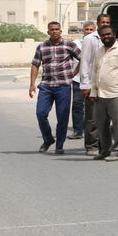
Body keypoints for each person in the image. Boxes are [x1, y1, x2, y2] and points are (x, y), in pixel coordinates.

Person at [28, 21, 81, 154]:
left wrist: (73, 74)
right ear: (48, 32)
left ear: (61, 31)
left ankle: (59, 145)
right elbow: (35, 64)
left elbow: (83, 59)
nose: (55, 31)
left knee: (62, 116)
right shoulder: (42, 47)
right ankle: (48, 139)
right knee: (41, 113)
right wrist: (32, 84)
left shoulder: (69, 45)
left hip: (63, 86)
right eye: (52, 29)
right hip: (46, 86)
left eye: (57, 29)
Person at [89, 25, 118, 162]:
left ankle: (117, 150)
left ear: (114, 34)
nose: (106, 37)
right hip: (100, 94)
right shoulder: (99, 52)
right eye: (103, 35)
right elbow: (95, 72)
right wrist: (93, 91)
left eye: (108, 34)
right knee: (100, 123)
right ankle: (105, 150)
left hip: (117, 93)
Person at [78, 13, 110, 156]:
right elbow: (84, 62)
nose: (104, 24)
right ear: (98, 23)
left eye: (107, 22)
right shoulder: (90, 39)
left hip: (108, 85)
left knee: (106, 117)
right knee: (92, 117)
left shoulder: (111, 38)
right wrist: (85, 85)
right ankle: (91, 145)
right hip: (93, 84)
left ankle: (104, 146)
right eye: (102, 22)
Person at [69, 21, 96, 140]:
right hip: (77, 79)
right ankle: (77, 131)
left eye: (91, 29)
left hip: (93, 80)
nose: (89, 32)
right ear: (83, 31)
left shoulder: (98, 43)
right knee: (77, 105)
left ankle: (91, 131)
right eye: (87, 29)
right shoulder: (75, 44)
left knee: (93, 107)